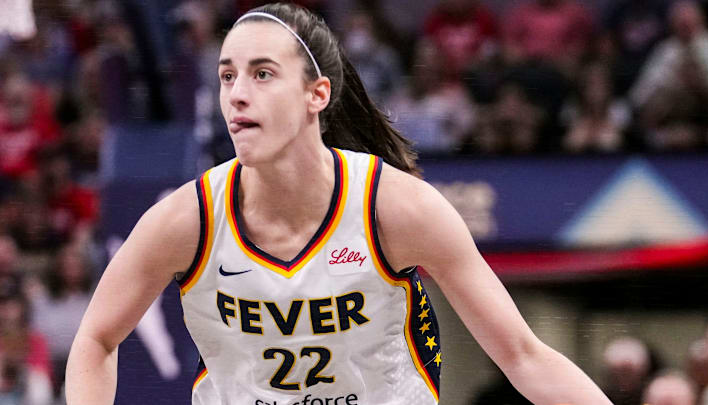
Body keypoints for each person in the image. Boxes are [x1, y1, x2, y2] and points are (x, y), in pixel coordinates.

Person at [65, 3, 612, 404]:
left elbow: (523, 356)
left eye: (262, 74)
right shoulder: (186, 218)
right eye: (227, 75)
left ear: (316, 95)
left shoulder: (395, 208)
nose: (236, 92)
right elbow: (95, 337)